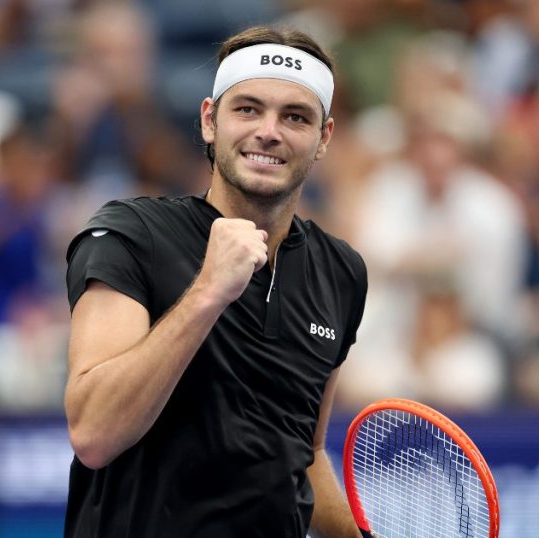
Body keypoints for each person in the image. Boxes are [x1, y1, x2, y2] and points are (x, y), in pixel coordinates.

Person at [63, 26, 368, 538]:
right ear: (210, 121)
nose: (268, 132)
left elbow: (306, 451)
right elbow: (93, 433)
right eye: (248, 109)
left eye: (295, 117)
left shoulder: (342, 272)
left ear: (324, 139)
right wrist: (208, 292)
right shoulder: (130, 235)